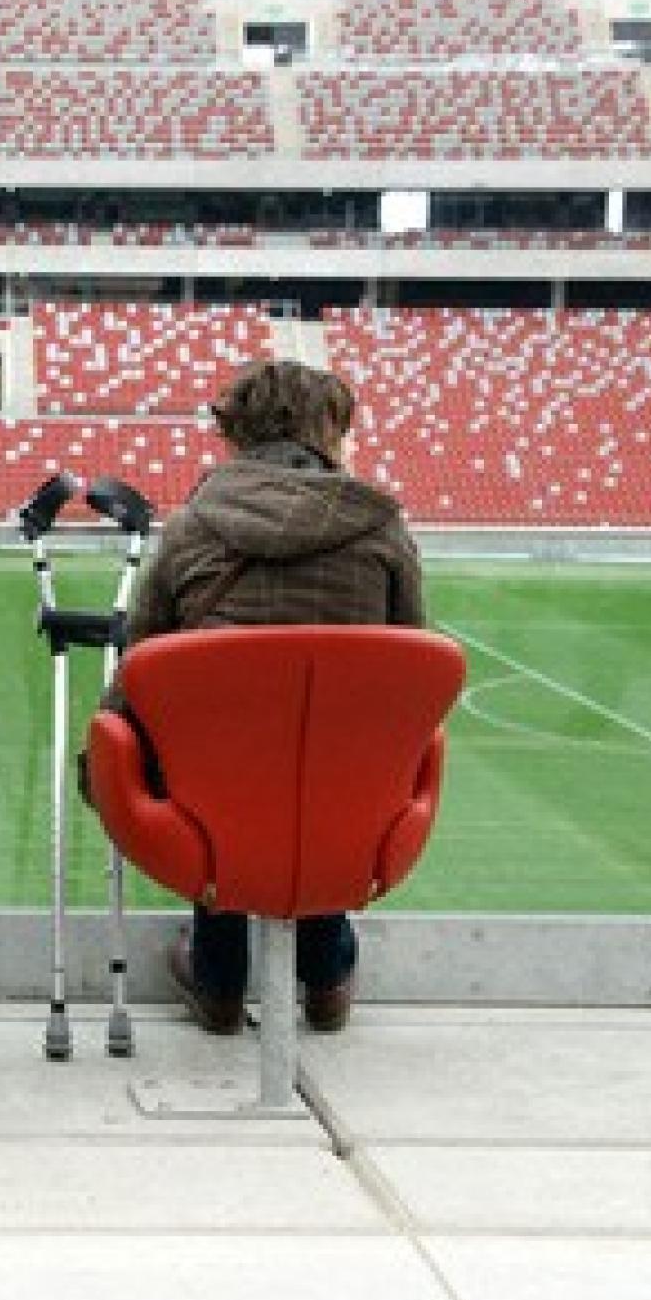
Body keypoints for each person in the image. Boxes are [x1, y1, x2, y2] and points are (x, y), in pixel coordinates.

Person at [117, 358, 424, 1036]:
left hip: (215, 782)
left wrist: (106, 756)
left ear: (239, 435)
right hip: (345, 782)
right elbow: (411, 656)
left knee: (215, 772)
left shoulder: (193, 527)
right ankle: (328, 973)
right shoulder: (381, 530)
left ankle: (219, 980)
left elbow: (139, 659)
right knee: (326, 769)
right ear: (328, 431)